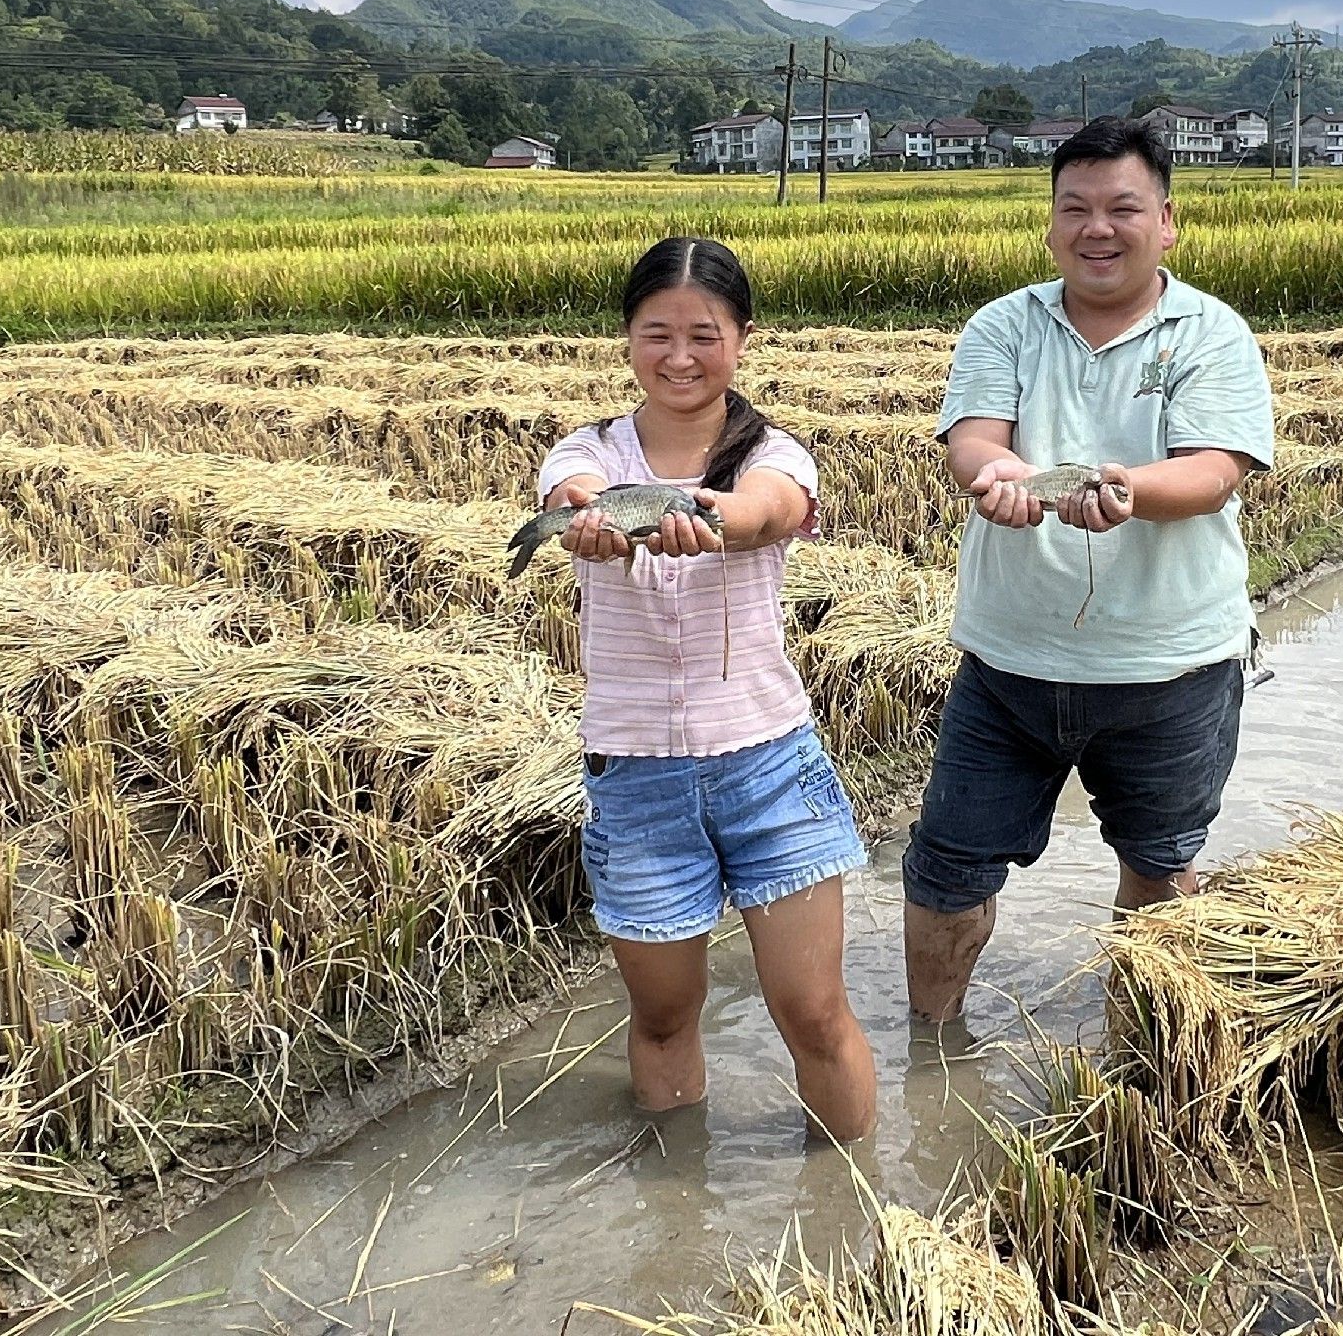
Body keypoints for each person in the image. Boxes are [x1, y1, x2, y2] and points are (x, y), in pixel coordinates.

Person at [902, 114, 1276, 1024]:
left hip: (1171, 667)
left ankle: (1136, 1051)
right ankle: (931, 1047)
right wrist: (993, 476)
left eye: (1122, 208)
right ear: (1050, 222)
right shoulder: (1005, 325)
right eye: (1075, 208)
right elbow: (977, 442)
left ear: (1168, 220)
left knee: (1160, 863)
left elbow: (1213, 471)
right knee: (946, 867)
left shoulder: (1210, 334)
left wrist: (1122, 490)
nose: (1096, 229)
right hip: (1007, 662)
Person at [536, 235, 877, 1140]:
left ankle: (858, 1209)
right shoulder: (589, 453)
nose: (679, 357)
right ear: (626, 341)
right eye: (657, 334)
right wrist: (587, 522)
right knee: (660, 1018)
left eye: (703, 334)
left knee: (812, 1013)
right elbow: (573, 496)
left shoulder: (776, 452)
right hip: (637, 775)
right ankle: (674, 1218)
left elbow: (769, 511)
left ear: (743, 338)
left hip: (769, 766)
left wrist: (705, 515)